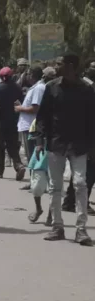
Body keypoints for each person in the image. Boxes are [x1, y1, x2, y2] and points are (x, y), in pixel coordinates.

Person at [36, 54, 95, 246]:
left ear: (70, 66)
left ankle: (81, 229)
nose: (55, 66)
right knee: (55, 187)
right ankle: (57, 227)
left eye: (59, 64)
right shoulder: (51, 87)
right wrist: (39, 140)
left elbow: (92, 119)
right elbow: (43, 116)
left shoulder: (86, 89)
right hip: (56, 143)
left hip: (79, 145)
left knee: (80, 184)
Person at [0, 67, 26, 181]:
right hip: (13, 122)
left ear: (0, 76)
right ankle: (19, 166)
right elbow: (21, 102)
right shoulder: (17, 88)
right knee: (13, 147)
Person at [15, 66, 45, 190]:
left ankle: (36, 183)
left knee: (33, 155)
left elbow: (35, 108)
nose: (26, 76)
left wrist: (20, 108)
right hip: (28, 125)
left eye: (27, 74)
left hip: (31, 126)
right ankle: (34, 182)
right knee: (31, 155)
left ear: (32, 75)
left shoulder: (38, 88)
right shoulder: (36, 87)